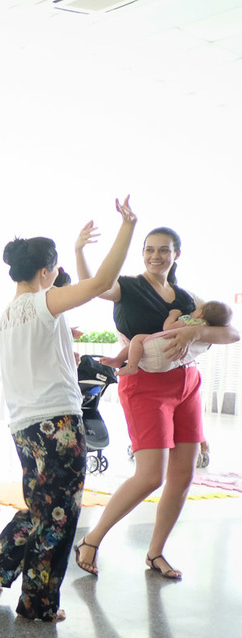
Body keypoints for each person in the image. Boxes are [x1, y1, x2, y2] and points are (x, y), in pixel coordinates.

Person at [0, 197, 138, 621]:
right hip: (56, 423)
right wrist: (127, 227)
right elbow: (100, 283)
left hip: (25, 425)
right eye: (56, 271)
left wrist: (76, 256)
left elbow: (44, 346)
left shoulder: (10, 313)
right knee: (60, 517)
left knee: (42, 508)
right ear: (45, 273)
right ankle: (38, 603)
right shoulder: (42, 303)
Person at [73, 224, 240, 580]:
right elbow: (97, 285)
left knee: (182, 475)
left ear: (176, 254)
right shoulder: (129, 287)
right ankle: (91, 540)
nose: (156, 256)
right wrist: (80, 251)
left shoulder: (184, 296)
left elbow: (232, 332)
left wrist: (196, 330)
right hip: (145, 386)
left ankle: (155, 553)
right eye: (150, 249)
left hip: (187, 384)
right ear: (142, 253)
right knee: (150, 476)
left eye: (164, 250)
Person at [105, 300, 232, 376]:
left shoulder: (190, 321)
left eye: (198, 309)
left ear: (200, 313)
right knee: (135, 343)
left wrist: (173, 315)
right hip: (174, 362)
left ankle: (130, 364)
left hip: (165, 340)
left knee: (137, 339)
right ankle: (118, 360)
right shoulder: (210, 331)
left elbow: (168, 328)